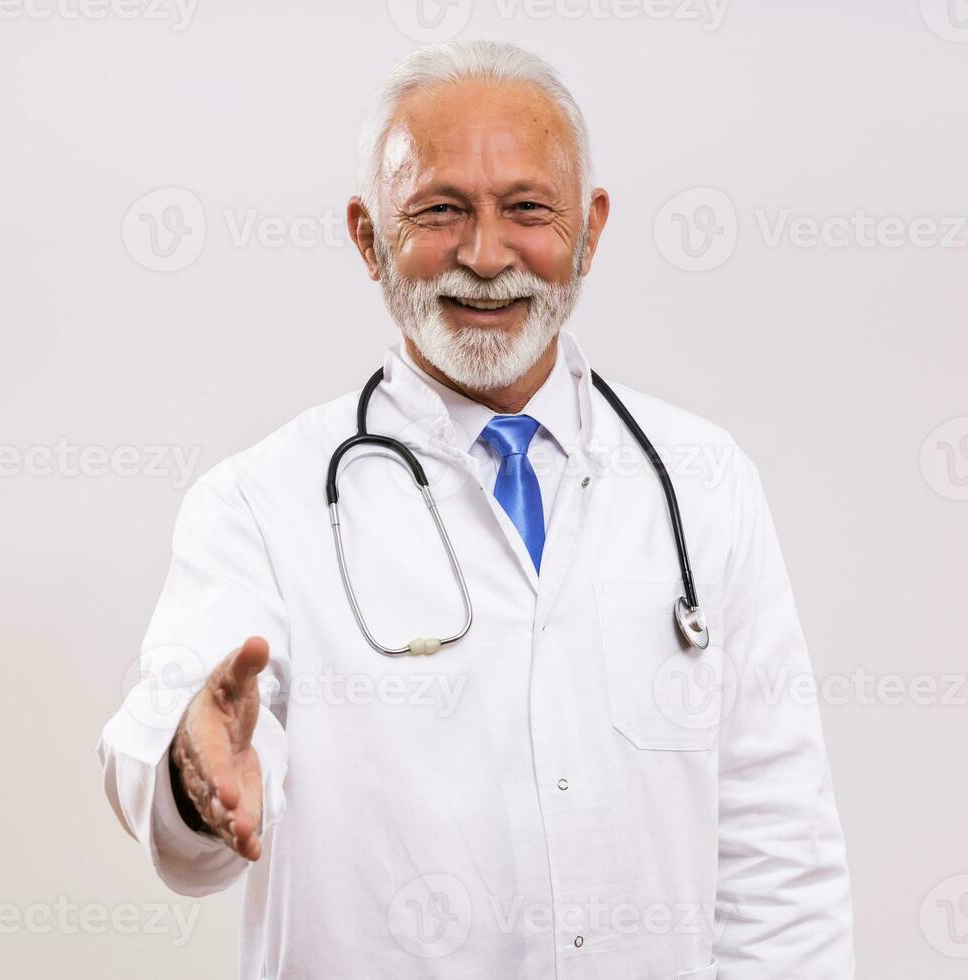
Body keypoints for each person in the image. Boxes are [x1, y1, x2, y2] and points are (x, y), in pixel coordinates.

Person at [98, 39, 854, 979]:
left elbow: (779, 854)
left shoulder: (704, 481)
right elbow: (174, 761)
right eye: (438, 211)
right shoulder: (260, 502)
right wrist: (190, 771)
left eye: (528, 210)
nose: (486, 255)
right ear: (369, 239)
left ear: (589, 228)